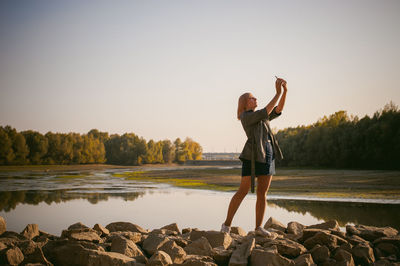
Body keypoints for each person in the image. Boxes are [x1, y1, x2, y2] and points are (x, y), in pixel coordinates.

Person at [221, 77, 287, 237]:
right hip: (252, 156)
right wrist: (277, 92)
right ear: (244, 103)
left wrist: (284, 92)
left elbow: (277, 110)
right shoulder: (246, 116)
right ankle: (226, 225)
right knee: (242, 191)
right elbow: (266, 110)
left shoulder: (261, 116)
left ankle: (258, 227)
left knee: (262, 193)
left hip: (268, 154)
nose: (255, 98)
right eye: (252, 97)